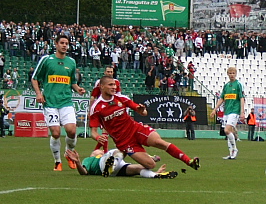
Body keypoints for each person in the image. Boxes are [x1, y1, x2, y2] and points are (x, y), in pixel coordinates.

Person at [89, 76, 200, 170]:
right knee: (150, 165)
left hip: (136, 129)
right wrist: (98, 137)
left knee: (159, 142)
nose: (114, 87)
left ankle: (189, 161)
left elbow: (143, 112)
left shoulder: (121, 98)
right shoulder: (97, 107)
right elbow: (93, 132)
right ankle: (125, 161)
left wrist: (142, 110)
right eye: (110, 85)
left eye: (114, 84)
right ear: (102, 87)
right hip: (124, 141)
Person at [31, 34, 87, 171]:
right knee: (56, 133)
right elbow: (34, 78)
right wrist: (38, 93)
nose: (64, 45)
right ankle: (57, 161)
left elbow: (72, 81)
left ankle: (69, 154)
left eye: (66, 43)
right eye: (61, 43)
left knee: (71, 131)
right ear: (56, 44)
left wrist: (78, 89)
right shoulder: (46, 60)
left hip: (66, 101)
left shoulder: (71, 62)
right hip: (50, 102)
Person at [65, 148, 177, 178]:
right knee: (120, 149)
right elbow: (84, 173)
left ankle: (155, 175)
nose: (100, 150)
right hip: (103, 165)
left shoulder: (105, 156)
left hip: (116, 169)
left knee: (139, 169)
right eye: (99, 150)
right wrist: (78, 163)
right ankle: (148, 157)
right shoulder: (89, 160)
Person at [210, 66, 245, 160]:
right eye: (230, 73)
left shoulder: (238, 85)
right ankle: (231, 153)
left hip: (235, 111)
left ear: (236, 74)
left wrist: (242, 111)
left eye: (233, 73)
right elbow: (222, 98)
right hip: (227, 112)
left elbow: (241, 98)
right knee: (229, 132)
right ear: (228, 74)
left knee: (227, 130)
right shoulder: (226, 86)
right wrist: (215, 109)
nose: (232, 75)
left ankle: (235, 149)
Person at [90, 65, 123, 152]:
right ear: (105, 72)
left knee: (107, 131)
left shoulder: (117, 82)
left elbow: (119, 96)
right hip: (102, 108)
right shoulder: (99, 82)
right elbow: (93, 96)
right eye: (108, 72)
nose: (109, 73)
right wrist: (90, 110)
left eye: (111, 72)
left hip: (112, 108)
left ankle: (100, 150)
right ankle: (104, 151)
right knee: (105, 131)